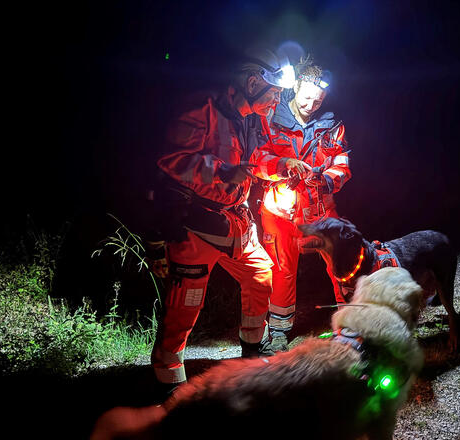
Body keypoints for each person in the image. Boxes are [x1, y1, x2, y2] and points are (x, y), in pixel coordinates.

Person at [146, 47, 296, 390]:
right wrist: (222, 172)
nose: (275, 99)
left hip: (237, 223)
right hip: (196, 225)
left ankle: (251, 358)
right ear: (253, 81)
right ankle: (169, 383)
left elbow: (255, 162)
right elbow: (173, 160)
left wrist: (280, 167)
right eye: (272, 91)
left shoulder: (255, 118)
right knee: (185, 307)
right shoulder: (202, 108)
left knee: (261, 278)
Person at [254, 56, 351, 351]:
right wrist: (284, 164)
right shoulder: (269, 119)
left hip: (322, 211)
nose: (311, 105)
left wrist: (326, 179)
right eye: (307, 98)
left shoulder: (333, 125)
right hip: (280, 212)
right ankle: (279, 333)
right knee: (282, 271)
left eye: (318, 101)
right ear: (296, 87)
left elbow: (342, 164)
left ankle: (350, 326)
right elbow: (255, 160)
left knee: (341, 264)